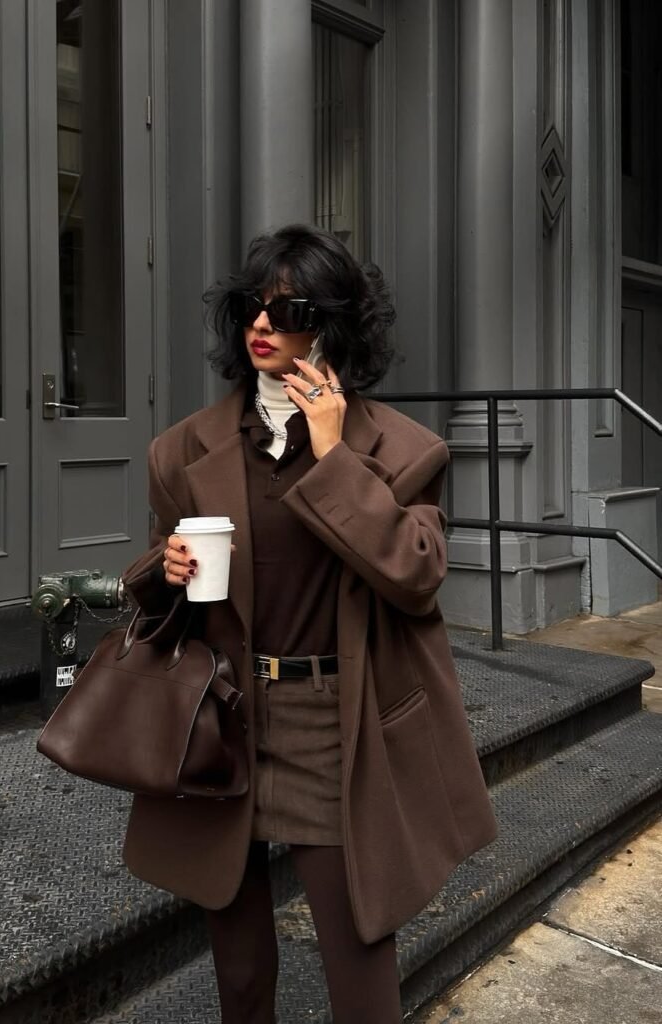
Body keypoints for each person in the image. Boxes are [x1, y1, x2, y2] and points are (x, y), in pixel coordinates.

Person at [121, 224, 498, 1023]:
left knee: (357, 955)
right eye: (250, 309)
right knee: (239, 962)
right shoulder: (182, 449)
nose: (261, 326)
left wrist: (333, 460)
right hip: (221, 716)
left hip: (337, 721)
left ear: (330, 324)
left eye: (286, 310)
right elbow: (156, 589)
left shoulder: (401, 449)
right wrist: (165, 573)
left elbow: (418, 576)